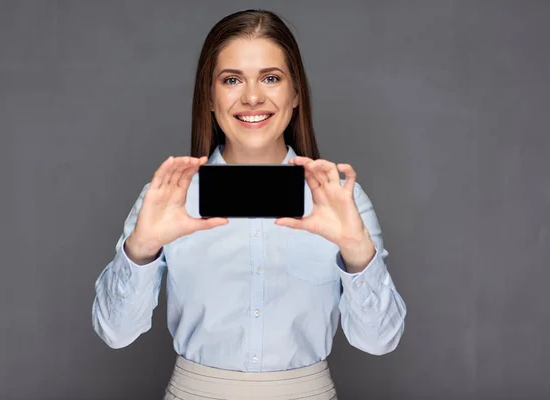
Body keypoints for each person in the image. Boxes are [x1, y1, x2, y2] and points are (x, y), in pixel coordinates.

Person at [92, 9, 406, 400]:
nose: (253, 96)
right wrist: (140, 250)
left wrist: (358, 255)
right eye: (232, 80)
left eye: (271, 78)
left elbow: (379, 341)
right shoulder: (168, 198)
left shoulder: (341, 200)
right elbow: (115, 333)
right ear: (209, 96)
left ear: (295, 95)